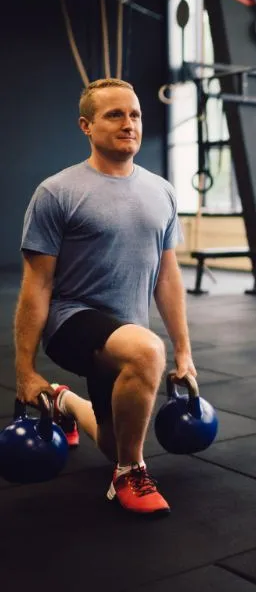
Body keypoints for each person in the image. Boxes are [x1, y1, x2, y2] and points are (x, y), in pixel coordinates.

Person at [14, 78, 196, 516]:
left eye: (134, 114)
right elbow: (37, 284)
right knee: (146, 353)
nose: (128, 123)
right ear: (86, 126)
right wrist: (25, 371)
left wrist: (185, 352)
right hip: (71, 321)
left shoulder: (162, 191)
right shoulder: (57, 192)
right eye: (115, 115)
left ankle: (65, 402)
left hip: (127, 328)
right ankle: (128, 474)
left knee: (115, 441)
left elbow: (167, 276)